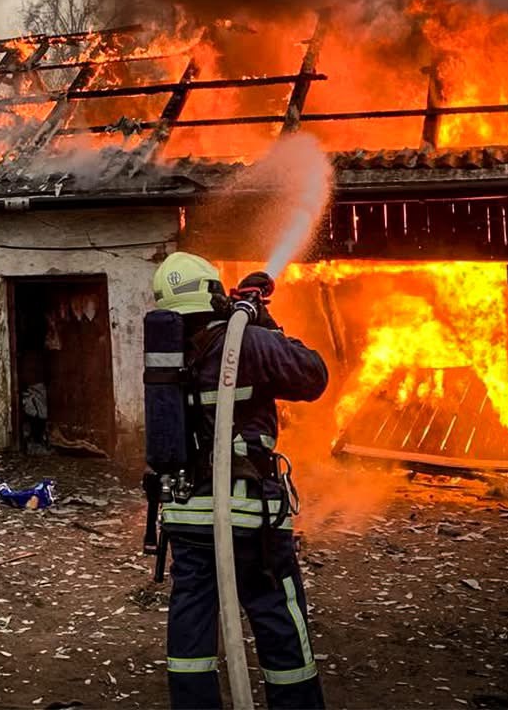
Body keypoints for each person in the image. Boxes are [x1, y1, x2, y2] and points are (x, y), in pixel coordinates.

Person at [151, 252, 329, 710]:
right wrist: (263, 321)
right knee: (276, 614)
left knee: (192, 617)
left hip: (187, 516)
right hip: (249, 516)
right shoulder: (245, 342)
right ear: (213, 295)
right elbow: (312, 376)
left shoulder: (167, 355)